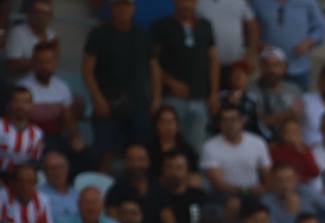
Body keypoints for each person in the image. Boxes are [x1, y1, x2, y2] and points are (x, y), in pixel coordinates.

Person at [82, 0, 157, 162]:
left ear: (133, 9)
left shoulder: (143, 34)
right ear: (112, 8)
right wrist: (98, 99)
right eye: (118, 4)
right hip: (107, 105)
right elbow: (87, 70)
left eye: (127, 5)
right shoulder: (99, 34)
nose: (123, 9)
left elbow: (154, 68)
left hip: (138, 105)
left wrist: (156, 98)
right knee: (105, 154)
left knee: (138, 153)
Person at [151, 0, 220, 152]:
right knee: (169, 143)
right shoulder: (162, 26)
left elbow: (213, 59)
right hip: (172, 99)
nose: (187, 5)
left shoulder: (205, 25)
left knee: (197, 146)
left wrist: (214, 93)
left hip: (200, 98)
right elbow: (152, 62)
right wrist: (169, 82)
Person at [200, 104, 272, 199]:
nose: (229, 124)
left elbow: (267, 173)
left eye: (233, 119)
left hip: (256, 194)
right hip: (225, 196)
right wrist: (247, 191)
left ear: (242, 121)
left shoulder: (258, 142)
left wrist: (263, 189)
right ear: (219, 123)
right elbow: (218, 185)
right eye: (225, 120)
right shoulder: (209, 147)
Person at [253, 0, 325, 89]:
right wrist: (258, 44)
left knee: (298, 101)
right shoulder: (258, 2)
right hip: (270, 69)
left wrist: (309, 42)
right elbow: (249, 28)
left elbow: (320, 28)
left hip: (298, 69)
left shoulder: (308, 2)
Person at [5, 0, 57, 80]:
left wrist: (30, 62)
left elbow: (53, 67)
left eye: (45, 14)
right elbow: (11, 68)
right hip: (22, 87)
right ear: (30, 14)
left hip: (45, 84)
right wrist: (41, 61)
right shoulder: (17, 33)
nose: (41, 17)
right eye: (38, 13)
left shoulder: (52, 36)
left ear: (50, 17)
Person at [0, 87, 45, 175]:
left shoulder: (37, 133)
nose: (21, 106)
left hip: (22, 181)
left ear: (32, 105)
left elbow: (35, 162)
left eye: (25, 102)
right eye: (16, 101)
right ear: (9, 104)